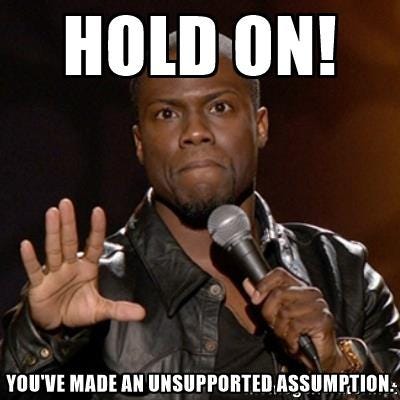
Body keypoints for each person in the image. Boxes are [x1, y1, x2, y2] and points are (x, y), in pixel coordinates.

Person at [1, 33, 399, 399]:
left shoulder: (344, 274)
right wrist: (41, 341)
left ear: (260, 126)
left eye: (219, 107)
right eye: (167, 114)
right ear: (139, 143)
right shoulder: (92, 290)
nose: (195, 131)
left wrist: (336, 365)